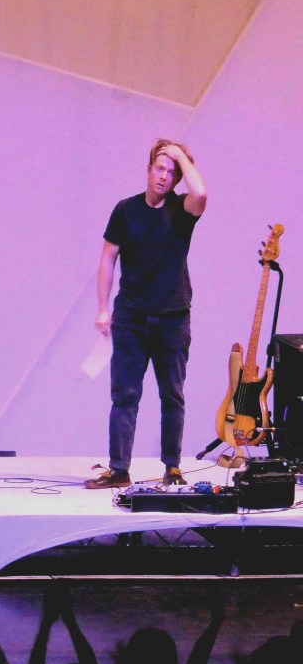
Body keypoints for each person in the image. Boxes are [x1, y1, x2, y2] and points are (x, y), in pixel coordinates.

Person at [86, 139, 207, 489]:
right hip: (132, 317)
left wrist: (179, 154)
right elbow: (108, 259)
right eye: (159, 168)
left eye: (172, 172)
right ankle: (119, 469)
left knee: (172, 395)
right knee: (125, 395)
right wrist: (103, 307)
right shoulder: (126, 210)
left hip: (172, 317)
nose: (164, 176)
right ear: (149, 168)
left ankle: (173, 467)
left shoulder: (182, 209)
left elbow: (201, 192)